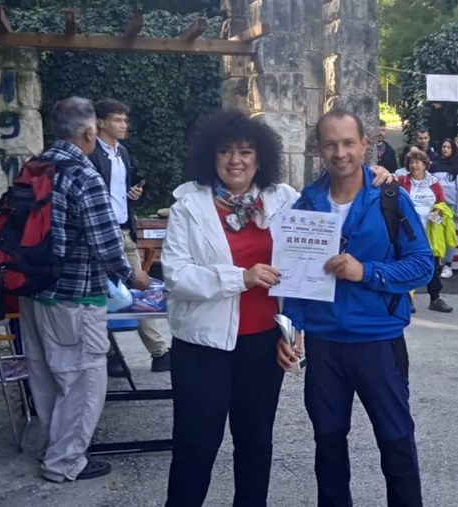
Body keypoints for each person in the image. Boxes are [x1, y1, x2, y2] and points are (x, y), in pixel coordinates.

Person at [277, 109, 433, 506]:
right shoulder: (306, 203)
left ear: (365, 144)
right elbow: (295, 276)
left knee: (396, 442)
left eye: (349, 142)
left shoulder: (390, 198)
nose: (340, 152)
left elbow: (422, 265)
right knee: (328, 444)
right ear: (319, 149)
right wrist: (292, 327)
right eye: (330, 144)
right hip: (325, 345)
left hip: (378, 341)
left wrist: (366, 272)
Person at [161, 110, 298, 506]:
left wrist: (377, 176)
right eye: (225, 151)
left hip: (263, 345)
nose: (235, 160)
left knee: (255, 444)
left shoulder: (283, 200)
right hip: (202, 348)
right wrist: (241, 278)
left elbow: (310, 253)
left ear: (260, 158)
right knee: (195, 446)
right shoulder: (189, 206)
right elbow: (176, 275)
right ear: (211, 155)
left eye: (246, 151)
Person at [18, 97, 151, 482]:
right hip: (75, 295)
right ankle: (64, 462)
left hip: (33, 290)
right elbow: (106, 244)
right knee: (82, 380)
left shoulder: (36, 166)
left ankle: (53, 448)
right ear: (91, 131)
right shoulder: (83, 175)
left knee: (47, 376)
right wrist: (134, 276)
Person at [89, 98, 171, 375]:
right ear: (100, 122)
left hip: (125, 230)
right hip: (103, 234)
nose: (123, 125)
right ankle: (110, 354)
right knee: (104, 293)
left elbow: (120, 192)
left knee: (140, 289)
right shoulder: (90, 153)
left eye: (124, 120)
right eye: (117, 120)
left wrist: (133, 195)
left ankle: (159, 352)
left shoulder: (122, 152)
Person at [400, 149, 454, 313]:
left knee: (433, 266)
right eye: (411, 162)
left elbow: (441, 202)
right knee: (408, 264)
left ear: (424, 165)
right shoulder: (402, 181)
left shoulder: (433, 182)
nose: (414, 165)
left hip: (430, 232)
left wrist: (438, 211)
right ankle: (407, 299)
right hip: (409, 232)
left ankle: (435, 298)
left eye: (417, 162)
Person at [430, 138, 458, 279]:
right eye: (444, 147)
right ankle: (437, 261)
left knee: (450, 235)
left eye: (448, 147)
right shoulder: (434, 165)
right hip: (437, 207)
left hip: (452, 207)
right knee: (436, 234)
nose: (445, 149)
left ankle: (448, 265)